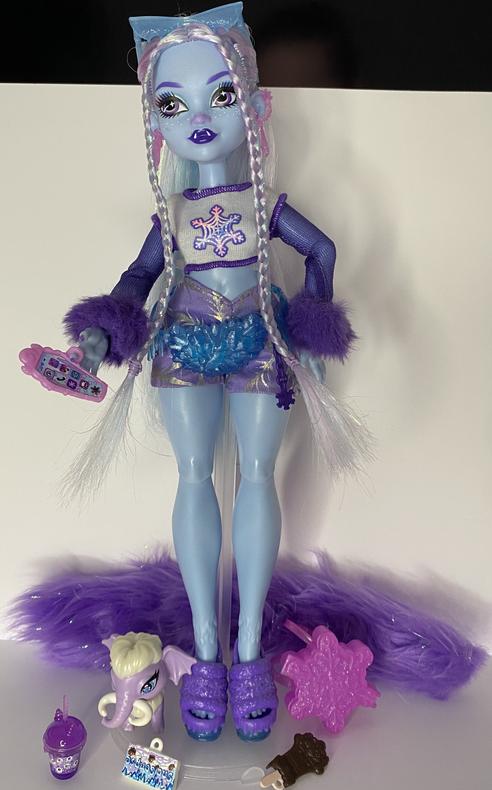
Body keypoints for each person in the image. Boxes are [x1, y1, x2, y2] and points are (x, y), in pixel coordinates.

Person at [62, 2, 360, 742]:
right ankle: (206, 654)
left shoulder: (265, 207)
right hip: (184, 343)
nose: (197, 117)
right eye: (172, 104)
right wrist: (103, 331)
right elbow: (138, 278)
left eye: (220, 95)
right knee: (195, 478)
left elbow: (321, 251)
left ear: (254, 106)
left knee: (256, 477)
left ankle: (248, 652)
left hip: (259, 339)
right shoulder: (171, 217)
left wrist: (312, 321)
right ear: (154, 123)